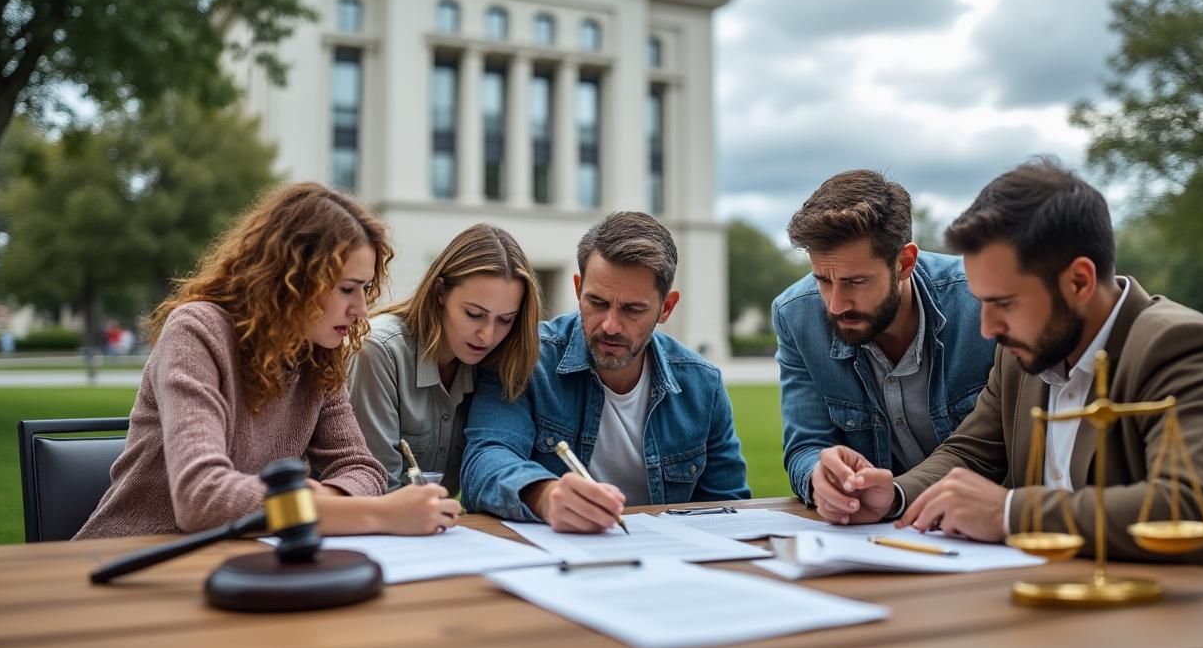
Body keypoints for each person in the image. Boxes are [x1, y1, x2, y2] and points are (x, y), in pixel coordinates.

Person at [822, 159, 1203, 573]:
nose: (987, 328)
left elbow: (1187, 512)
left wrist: (1008, 513)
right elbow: (970, 454)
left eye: (1004, 303)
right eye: (981, 303)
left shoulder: (1182, 346)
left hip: (1199, 622)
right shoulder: (1024, 354)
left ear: (1079, 280)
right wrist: (893, 495)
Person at [76, 183, 460, 540]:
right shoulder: (196, 332)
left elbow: (363, 469)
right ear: (291, 278)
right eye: (347, 289)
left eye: (364, 288)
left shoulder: (317, 355)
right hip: (134, 557)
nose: (361, 310)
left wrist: (321, 497)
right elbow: (200, 498)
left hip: (244, 558)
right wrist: (371, 514)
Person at [460, 212, 750, 531]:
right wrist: (543, 495)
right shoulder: (525, 358)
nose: (611, 325)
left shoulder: (702, 384)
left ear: (666, 308)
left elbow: (729, 507)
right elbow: (483, 463)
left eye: (632, 309)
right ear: (578, 288)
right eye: (596, 302)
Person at [774, 170, 994, 515]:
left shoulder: (983, 303)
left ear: (904, 262)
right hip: (874, 532)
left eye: (856, 281)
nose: (835, 304)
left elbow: (1002, 450)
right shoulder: (795, 316)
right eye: (823, 280)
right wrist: (820, 476)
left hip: (979, 527)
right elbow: (807, 444)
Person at [348, 224, 543, 493]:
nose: (487, 336)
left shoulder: (500, 361)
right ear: (440, 292)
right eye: (474, 314)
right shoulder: (378, 351)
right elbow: (377, 489)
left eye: (505, 320)